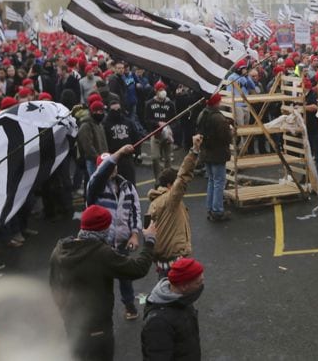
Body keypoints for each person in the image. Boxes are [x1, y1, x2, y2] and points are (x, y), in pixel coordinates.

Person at [49, 204, 157, 361]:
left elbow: (54, 286)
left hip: (73, 325)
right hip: (97, 330)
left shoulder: (60, 250)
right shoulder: (101, 253)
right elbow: (138, 269)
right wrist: (150, 242)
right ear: (103, 230)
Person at [86, 144, 144, 320]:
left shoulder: (127, 187)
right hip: (101, 245)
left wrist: (134, 234)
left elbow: (135, 211)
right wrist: (118, 153)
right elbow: (99, 175)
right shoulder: (94, 187)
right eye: (107, 167)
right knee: (102, 281)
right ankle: (102, 313)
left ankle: (129, 305)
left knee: (125, 277)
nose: (111, 169)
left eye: (113, 166)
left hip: (121, 243)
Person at [147, 135, 202, 276]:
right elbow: (183, 177)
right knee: (180, 293)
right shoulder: (169, 200)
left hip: (161, 261)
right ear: (169, 185)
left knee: (165, 292)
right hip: (174, 261)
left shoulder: (154, 202)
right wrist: (194, 150)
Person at [141, 258, 205, 360]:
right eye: (198, 283)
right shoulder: (158, 323)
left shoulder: (182, 299)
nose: (202, 285)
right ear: (184, 286)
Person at [196, 93, 233, 221]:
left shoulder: (202, 114)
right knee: (218, 182)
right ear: (217, 102)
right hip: (217, 153)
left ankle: (210, 208)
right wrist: (231, 130)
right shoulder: (218, 117)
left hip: (206, 152)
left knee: (212, 180)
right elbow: (226, 137)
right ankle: (217, 210)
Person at [102, 95, 142, 183]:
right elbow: (103, 141)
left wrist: (138, 152)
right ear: (109, 111)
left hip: (127, 158)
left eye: (118, 110)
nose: (116, 112)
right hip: (113, 158)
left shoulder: (128, 122)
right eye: (113, 110)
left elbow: (136, 137)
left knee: (130, 183)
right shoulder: (105, 124)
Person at [145, 81, 176, 183]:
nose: (162, 92)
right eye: (160, 90)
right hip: (155, 135)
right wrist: (158, 123)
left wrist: (170, 129)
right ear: (156, 91)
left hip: (167, 135)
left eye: (163, 90)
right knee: (155, 158)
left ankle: (167, 180)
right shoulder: (150, 104)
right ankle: (158, 179)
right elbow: (146, 120)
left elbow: (175, 120)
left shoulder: (170, 104)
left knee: (168, 159)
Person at [77, 98, 109, 179]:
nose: (101, 113)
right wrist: (97, 158)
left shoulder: (99, 124)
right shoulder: (86, 125)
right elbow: (87, 145)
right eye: (98, 111)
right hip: (93, 161)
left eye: (102, 111)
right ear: (92, 112)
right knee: (95, 182)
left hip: (101, 159)